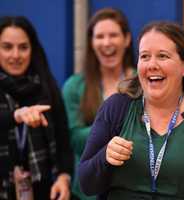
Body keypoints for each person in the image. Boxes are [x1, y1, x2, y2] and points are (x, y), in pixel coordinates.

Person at [78, 21, 184, 200]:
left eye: (162, 56)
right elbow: (86, 184)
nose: (151, 65)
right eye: (144, 56)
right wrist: (105, 156)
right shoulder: (117, 107)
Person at [62, 8, 136, 200]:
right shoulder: (74, 86)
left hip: (132, 185)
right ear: (91, 43)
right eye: (100, 36)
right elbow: (74, 138)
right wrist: (113, 127)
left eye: (113, 35)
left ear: (127, 39)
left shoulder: (144, 82)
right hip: (86, 192)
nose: (106, 42)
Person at [0, 16, 74, 200]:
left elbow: (64, 141)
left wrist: (64, 178)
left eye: (23, 47)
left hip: (43, 191)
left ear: (33, 50)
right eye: (7, 47)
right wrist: (16, 116)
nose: (15, 55)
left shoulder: (47, 87)